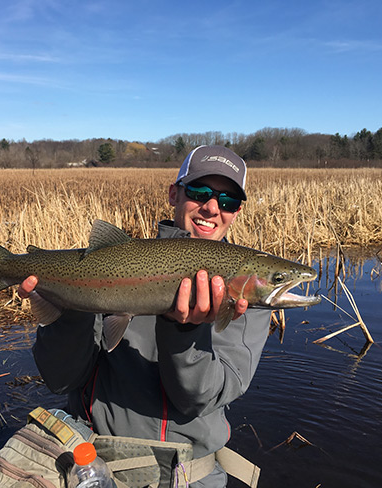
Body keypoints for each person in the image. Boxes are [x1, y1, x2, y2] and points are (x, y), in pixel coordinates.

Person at [18, 145, 272, 488]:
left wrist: (184, 333)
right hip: (92, 465)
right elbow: (60, 378)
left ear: (237, 211)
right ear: (174, 194)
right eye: (199, 192)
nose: (212, 208)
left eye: (228, 201)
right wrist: (69, 301)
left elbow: (198, 399)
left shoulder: (245, 301)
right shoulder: (118, 265)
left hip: (188, 476)